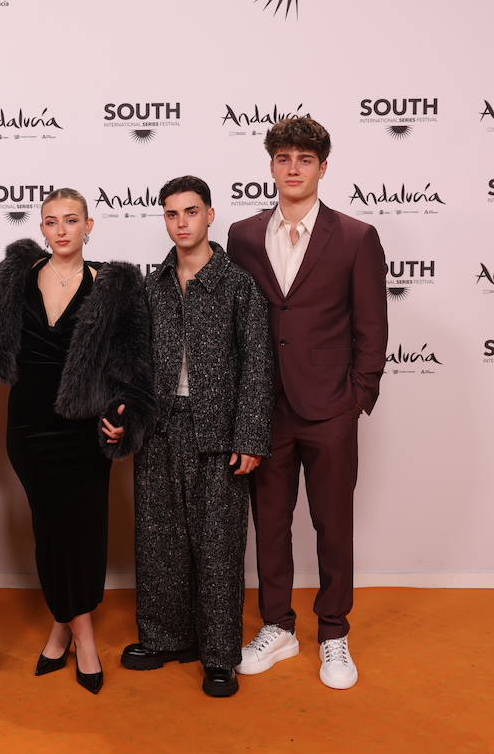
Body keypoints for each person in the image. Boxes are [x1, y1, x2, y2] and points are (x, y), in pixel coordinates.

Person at [226, 116, 387, 690]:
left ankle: (335, 633)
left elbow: (372, 327)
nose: (293, 168)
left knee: (332, 523)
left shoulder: (354, 237)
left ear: (322, 167)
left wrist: (356, 399)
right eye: (283, 158)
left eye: (305, 159)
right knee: (269, 523)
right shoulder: (243, 236)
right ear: (271, 165)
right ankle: (278, 626)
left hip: (330, 409)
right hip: (265, 408)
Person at [0, 188, 153, 695]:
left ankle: (71, 632)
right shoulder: (17, 277)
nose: (61, 229)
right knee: (49, 530)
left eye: (71, 220)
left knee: (82, 531)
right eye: (51, 221)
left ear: (90, 225)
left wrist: (123, 416)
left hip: (84, 429)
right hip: (28, 428)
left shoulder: (114, 287)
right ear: (41, 228)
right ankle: (74, 626)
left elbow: (132, 367)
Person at [121, 176, 274, 698]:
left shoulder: (237, 284)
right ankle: (166, 637)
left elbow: (257, 364)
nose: (181, 222)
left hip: (219, 427)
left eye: (190, 212)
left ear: (210, 215)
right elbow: (135, 365)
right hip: (161, 426)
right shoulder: (153, 286)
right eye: (171, 214)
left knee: (218, 546)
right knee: (160, 537)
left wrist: (251, 436)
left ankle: (218, 654)